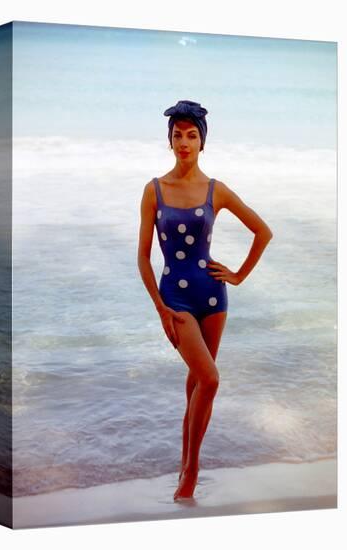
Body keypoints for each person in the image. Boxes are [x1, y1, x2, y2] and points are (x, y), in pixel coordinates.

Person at [137, 100, 273, 500]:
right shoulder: (154, 190)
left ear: (202, 142)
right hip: (174, 298)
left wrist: (238, 275)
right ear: (169, 141)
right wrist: (160, 309)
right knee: (210, 379)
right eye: (177, 135)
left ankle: (185, 465)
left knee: (199, 383)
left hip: (213, 297)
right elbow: (143, 258)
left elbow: (263, 231)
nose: (184, 142)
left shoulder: (217, 190)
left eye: (191, 135)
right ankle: (193, 470)